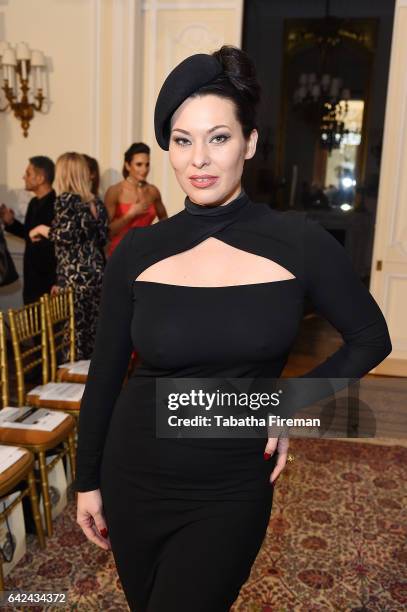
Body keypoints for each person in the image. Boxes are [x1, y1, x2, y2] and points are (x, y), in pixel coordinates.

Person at [75, 47, 392, 612]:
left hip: (230, 485)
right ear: (167, 148)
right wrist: (87, 480)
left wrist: (287, 403)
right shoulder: (138, 251)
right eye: (182, 139)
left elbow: (371, 337)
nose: (199, 158)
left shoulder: (297, 241)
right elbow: (105, 374)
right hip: (135, 473)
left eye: (218, 138)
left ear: (248, 143)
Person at [29, 152, 108, 360]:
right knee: (93, 336)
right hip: (98, 276)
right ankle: (93, 386)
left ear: (64, 174)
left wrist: (41, 229)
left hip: (75, 279)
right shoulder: (96, 203)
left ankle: (75, 388)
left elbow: (65, 235)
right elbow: (102, 237)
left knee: (72, 340)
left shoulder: (65, 200)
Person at [0, 156, 57, 304]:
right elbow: (29, 235)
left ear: (40, 178)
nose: (24, 177)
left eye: (28, 173)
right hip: (32, 276)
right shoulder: (34, 202)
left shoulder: (56, 204)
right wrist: (11, 222)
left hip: (48, 278)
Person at [104, 142, 168, 255]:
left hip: (146, 252)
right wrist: (130, 215)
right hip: (120, 253)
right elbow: (106, 232)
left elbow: (164, 220)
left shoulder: (153, 191)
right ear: (128, 165)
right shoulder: (115, 191)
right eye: (139, 164)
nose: (144, 169)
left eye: (147, 164)